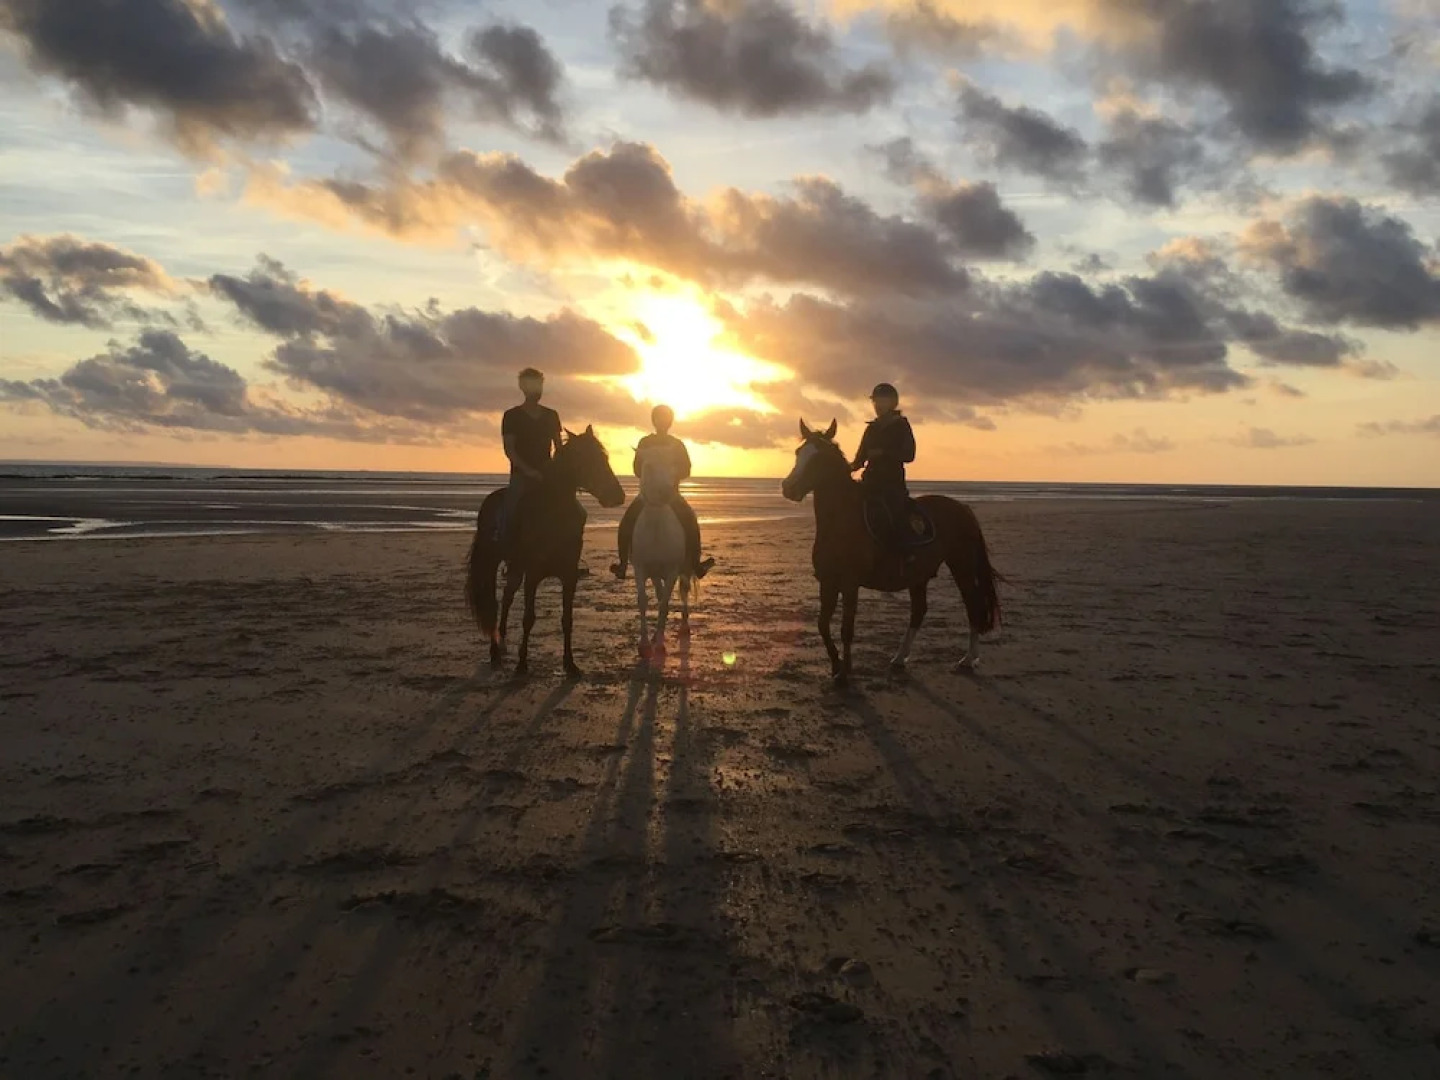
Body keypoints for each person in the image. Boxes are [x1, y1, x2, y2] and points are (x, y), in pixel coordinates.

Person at [611, 404, 714, 581]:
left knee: (690, 520)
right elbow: (636, 469)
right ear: (654, 420)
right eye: (659, 417)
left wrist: (672, 475)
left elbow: (687, 469)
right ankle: (622, 564)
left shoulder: (677, 444)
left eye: (666, 418)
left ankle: (696, 564)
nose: (663, 421)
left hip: (671, 495)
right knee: (627, 521)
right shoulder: (645, 442)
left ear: (670, 421)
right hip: (647, 495)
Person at [495, 367, 562, 556]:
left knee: (574, 511)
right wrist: (528, 471)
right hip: (521, 474)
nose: (537, 390)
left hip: (547, 473)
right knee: (511, 510)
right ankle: (507, 550)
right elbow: (510, 449)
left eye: (539, 385)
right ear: (523, 387)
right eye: (533, 385)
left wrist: (556, 470)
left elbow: (559, 447)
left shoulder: (551, 415)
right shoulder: (512, 416)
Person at [849, 382, 917, 556]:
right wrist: (842, 469)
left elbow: (909, 454)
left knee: (895, 514)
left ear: (892, 403)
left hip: (891, 482)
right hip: (870, 481)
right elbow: (859, 459)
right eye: (876, 402)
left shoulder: (901, 425)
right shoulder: (871, 428)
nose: (878, 405)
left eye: (882, 401)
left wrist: (884, 453)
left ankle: (907, 552)